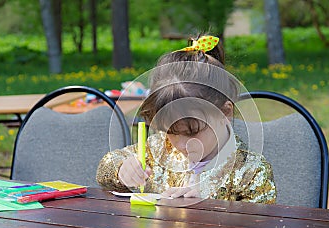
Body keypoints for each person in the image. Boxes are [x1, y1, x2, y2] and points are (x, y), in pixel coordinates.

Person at [96, 34, 276, 203]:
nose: (181, 145)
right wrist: (122, 169)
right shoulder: (159, 148)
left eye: (192, 132)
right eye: (171, 132)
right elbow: (107, 165)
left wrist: (210, 204)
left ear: (225, 113)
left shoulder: (251, 171)